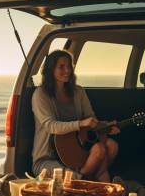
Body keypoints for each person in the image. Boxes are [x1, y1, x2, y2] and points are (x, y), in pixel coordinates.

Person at [31, 50, 119, 182]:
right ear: (50, 69)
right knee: (82, 174)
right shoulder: (41, 94)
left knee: (111, 145)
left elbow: (91, 119)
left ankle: (88, 180)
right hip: (49, 158)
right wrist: (80, 123)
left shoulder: (78, 91)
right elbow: (50, 126)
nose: (67, 70)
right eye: (61, 67)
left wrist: (106, 126)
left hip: (76, 150)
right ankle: (85, 179)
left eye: (69, 66)